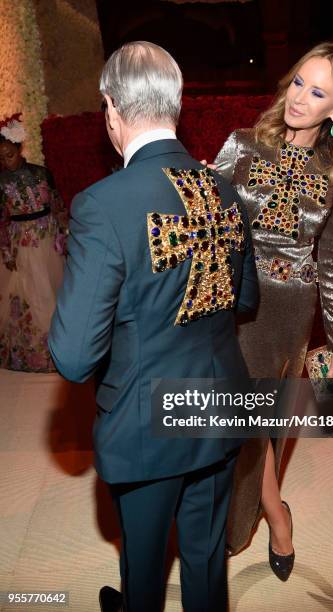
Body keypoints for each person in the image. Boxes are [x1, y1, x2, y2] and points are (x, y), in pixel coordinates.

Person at [48, 41, 259, 612]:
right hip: (219, 403)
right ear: (177, 101)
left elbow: (72, 356)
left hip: (147, 416)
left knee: (141, 574)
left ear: (111, 109)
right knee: (205, 559)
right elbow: (244, 298)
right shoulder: (222, 188)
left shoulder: (104, 203)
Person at [214, 42, 333, 579]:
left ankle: (259, 512)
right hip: (241, 305)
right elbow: (211, 227)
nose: (300, 98)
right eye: (299, 82)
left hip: (293, 311)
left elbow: (330, 261)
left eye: (318, 91)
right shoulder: (242, 145)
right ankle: (275, 515)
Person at [0, 114, 68, 372]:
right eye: (1, 158)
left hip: (46, 237)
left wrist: (64, 234)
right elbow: (2, 220)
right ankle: (30, 353)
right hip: (20, 240)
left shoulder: (41, 173)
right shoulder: (0, 182)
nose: (6, 162)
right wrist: (6, 249)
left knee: (51, 291)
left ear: (19, 148)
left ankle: (60, 349)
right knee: (28, 292)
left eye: (9, 154)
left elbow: (58, 205)